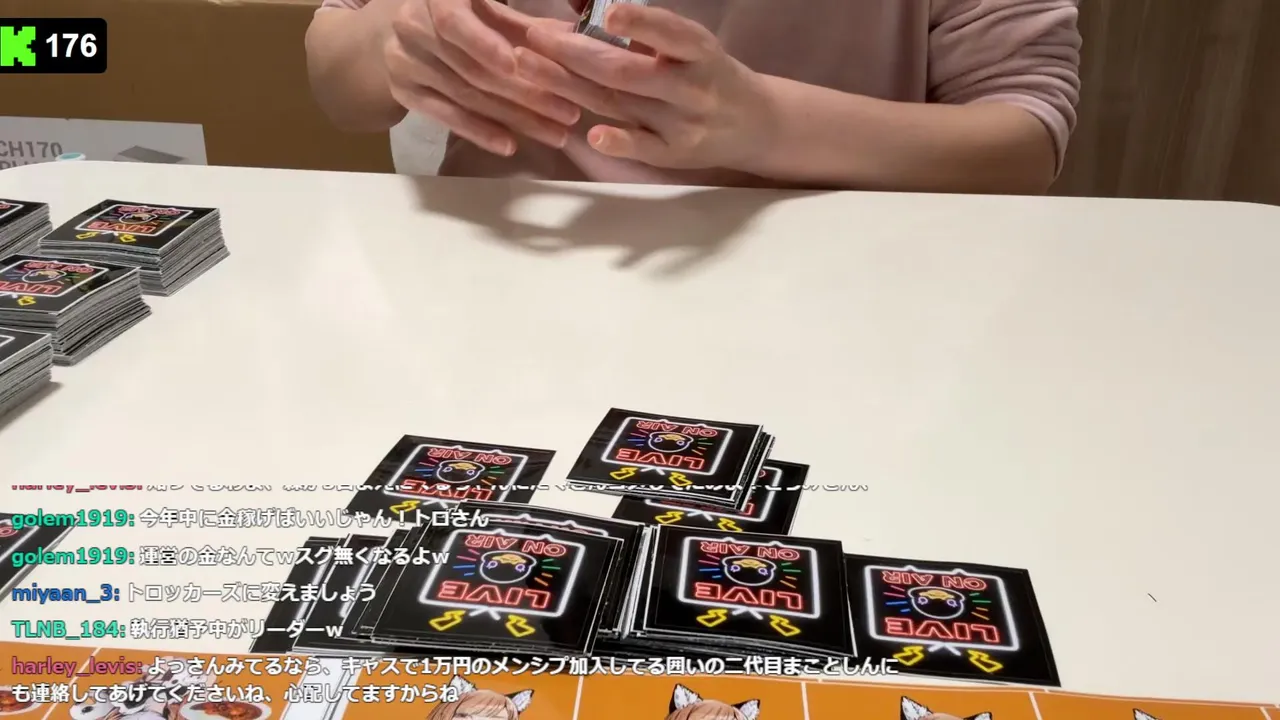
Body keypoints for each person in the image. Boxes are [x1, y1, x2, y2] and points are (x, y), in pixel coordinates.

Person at [306, 0, 1080, 193]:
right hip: (497, 304)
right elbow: (338, 82)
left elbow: (1021, 143)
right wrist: (391, 45)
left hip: (847, 311)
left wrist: (769, 126)